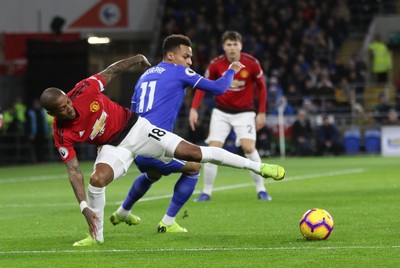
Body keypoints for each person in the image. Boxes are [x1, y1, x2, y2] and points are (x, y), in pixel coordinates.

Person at [40, 54, 285, 247]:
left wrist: (135, 59)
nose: (69, 109)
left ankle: (257, 167)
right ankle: (96, 236)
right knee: (97, 179)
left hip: (137, 128)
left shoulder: (84, 90)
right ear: (52, 114)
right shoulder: (61, 133)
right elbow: (74, 171)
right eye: (62, 109)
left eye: (68, 102)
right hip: (113, 147)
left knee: (195, 154)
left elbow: (111, 71)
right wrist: (84, 207)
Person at [109, 34, 255, 233]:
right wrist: (231, 70)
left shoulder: (144, 76)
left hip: (137, 144)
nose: (190, 62)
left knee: (153, 174)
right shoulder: (179, 71)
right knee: (194, 167)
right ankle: (168, 222)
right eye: (186, 56)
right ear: (170, 55)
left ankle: (123, 211)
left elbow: (131, 112)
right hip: (156, 143)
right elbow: (219, 88)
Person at [189, 31, 271, 202]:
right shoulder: (216, 64)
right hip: (221, 112)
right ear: (223, 46)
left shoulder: (251, 63)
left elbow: (262, 87)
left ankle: (261, 189)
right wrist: (194, 108)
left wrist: (262, 112)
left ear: (241, 45)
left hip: (245, 113)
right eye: (228, 44)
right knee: (213, 150)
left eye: (235, 44)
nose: (232, 48)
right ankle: (206, 192)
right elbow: (203, 86)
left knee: (249, 148)